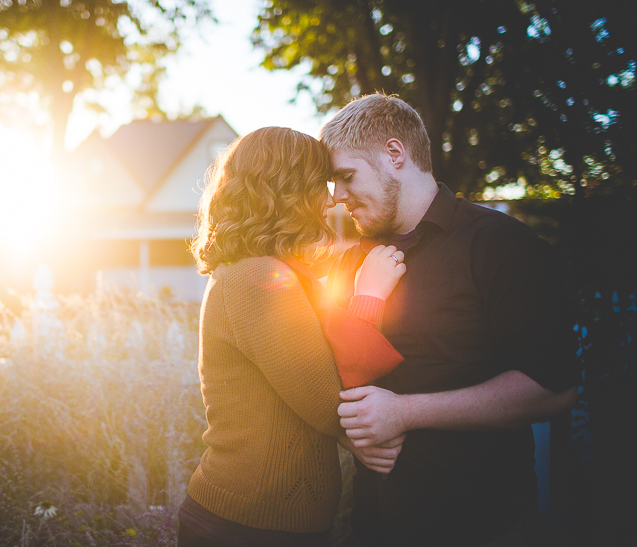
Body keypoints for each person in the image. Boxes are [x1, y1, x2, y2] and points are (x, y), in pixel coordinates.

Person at [321, 94, 580, 547]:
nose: (336, 197)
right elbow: (332, 377)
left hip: (485, 525)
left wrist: (404, 413)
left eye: (345, 177)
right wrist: (351, 437)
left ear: (395, 155)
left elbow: (553, 387)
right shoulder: (350, 266)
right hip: (375, 524)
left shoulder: (500, 246)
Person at [178, 126, 407, 547]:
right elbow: (329, 402)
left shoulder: (264, 270)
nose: (331, 197)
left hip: (268, 522)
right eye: (320, 184)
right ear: (288, 190)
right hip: (249, 526)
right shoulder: (257, 276)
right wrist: (370, 297)